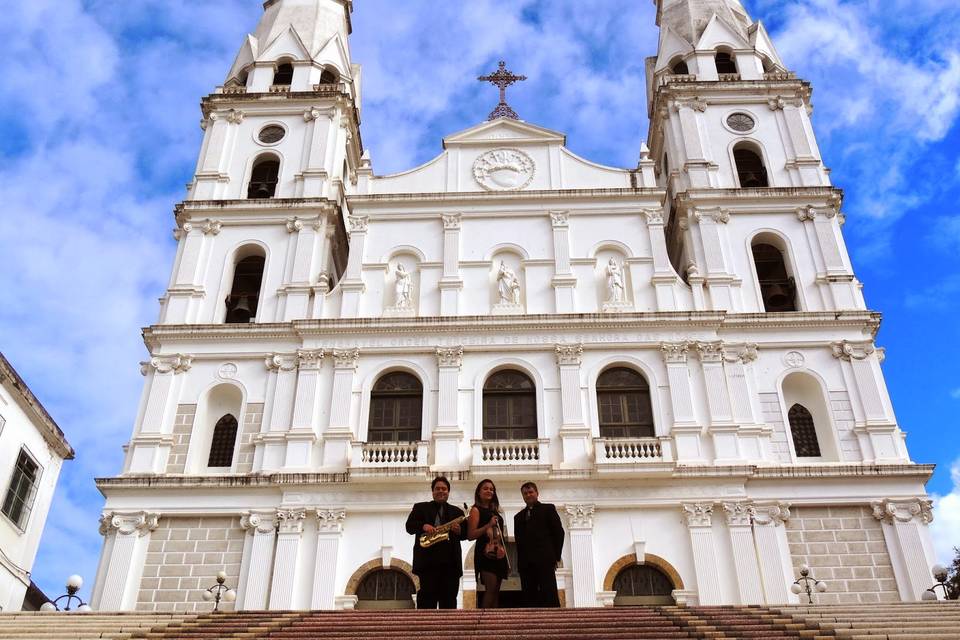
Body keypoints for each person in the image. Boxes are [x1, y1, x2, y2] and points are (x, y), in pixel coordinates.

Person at [405, 476, 467, 609]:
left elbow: (466, 534)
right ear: (432, 492)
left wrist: (459, 530)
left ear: (448, 492)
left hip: (451, 565)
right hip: (428, 564)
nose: (441, 491)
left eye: (444, 489)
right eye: (437, 488)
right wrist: (423, 526)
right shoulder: (420, 508)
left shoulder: (457, 512)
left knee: (449, 601)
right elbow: (409, 527)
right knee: (427, 601)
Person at [513, 481, 564, 607]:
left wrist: (555, 557)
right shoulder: (518, 517)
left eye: (531, 492)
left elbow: (559, 533)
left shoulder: (548, 509)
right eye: (525, 493)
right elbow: (519, 542)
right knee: (529, 597)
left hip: (545, 560)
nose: (528, 495)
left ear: (537, 493)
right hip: (526, 564)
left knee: (549, 593)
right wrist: (519, 564)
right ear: (522, 496)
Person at [467, 478, 509, 608]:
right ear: (478, 492)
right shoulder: (475, 510)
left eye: (491, 489)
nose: (489, 491)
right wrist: (488, 525)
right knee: (490, 590)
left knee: (496, 592)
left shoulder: (496, 511)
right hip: (485, 553)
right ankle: (483, 621)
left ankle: (494, 624)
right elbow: (471, 535)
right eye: (485, 488)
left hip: (498, 553)